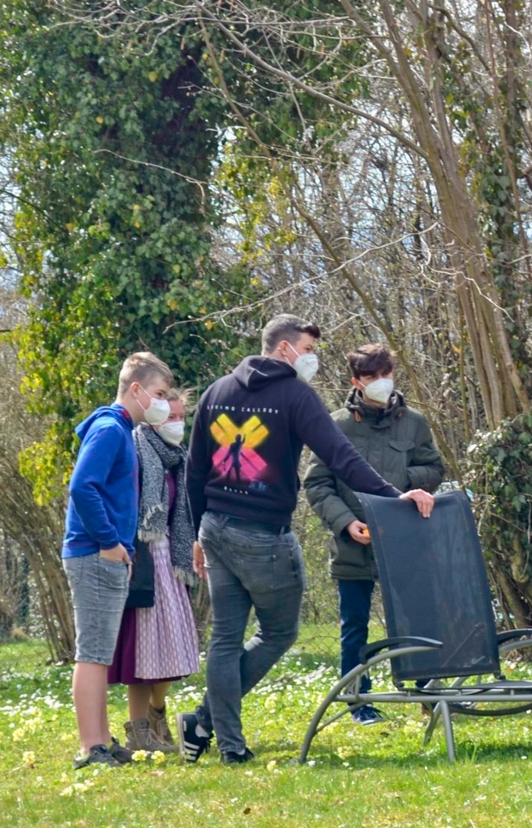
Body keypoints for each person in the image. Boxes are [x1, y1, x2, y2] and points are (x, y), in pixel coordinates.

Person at [178, 315, 437, 765]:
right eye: (308, 349)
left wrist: (197, 533)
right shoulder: (295, 396)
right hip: (262, 534)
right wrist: (396, 496)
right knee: (278, 632)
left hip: (216, 527)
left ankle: (223, 741)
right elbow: (342, 458)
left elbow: (195, 471)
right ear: (283, 349)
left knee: (224, 638)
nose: (312, 359)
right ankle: (207, 721)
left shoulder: (216, 391)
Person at [303, 343, 445, 725]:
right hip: (354, 542)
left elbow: (433, 468)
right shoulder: (335, 425)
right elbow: (317, 484)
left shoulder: (413, 422)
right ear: (356, 382)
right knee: (355, 627)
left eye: (386, 374)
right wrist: (346, 523)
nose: (381, 382)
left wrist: (402, 485)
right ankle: (357, 700)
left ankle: (427, 693)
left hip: (405, 540)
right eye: (371, 377)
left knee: (417, 620)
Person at [62, 352, 174, 769]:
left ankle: (102, 742)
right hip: (93, 553)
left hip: (105, 553)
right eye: (159, 394)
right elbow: (82, 487)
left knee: (100, 653)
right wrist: (110, 542)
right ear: (136, 390)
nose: (163, 402)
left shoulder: (121, 429)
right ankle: (92, 749)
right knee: (92, 653)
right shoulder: (110, 429)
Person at [108, 387, 202, 753]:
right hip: (143, 557)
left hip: (172, 560)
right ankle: (140, 729)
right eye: (170, 416)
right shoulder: (135, 449)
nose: (176, 424)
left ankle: (158, 710)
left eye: (181, 418)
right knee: (141, 648)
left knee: (173, 648)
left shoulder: (178, 458)